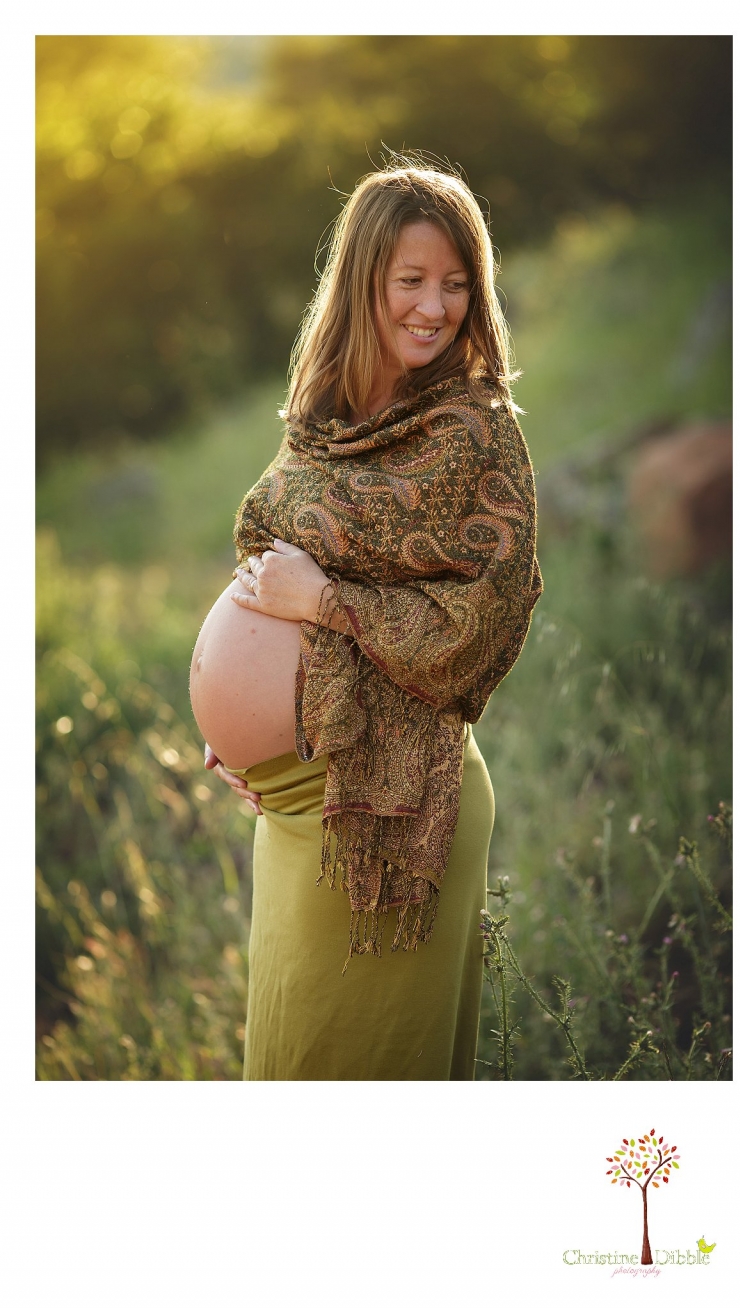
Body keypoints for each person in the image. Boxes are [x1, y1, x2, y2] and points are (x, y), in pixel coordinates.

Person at [189, 158, 542, 1080]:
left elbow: (479, 629)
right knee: (288, 1057)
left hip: (395, 810)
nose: (436, 307)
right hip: (293, 806)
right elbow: (265, 563)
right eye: (412, 282)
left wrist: (327, 603)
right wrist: (241, 739)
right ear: (362, 284)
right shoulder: (322, 415)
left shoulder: (477, 431)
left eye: (458, 284)